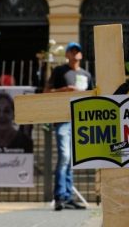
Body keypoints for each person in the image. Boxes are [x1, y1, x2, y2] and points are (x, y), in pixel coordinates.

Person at [44, 42, 93, 211]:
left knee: (72, 160)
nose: (75, 54)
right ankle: (59, 195)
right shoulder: (59, 71)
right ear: (66, 55)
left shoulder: (86, 74)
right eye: (71, 51)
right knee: (65, 156)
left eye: (77, 51)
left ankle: (67, 197)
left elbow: (93, 96)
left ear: (81, 55)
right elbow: (46, 92)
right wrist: (64, 90)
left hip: (81, 121)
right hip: (63, 119)